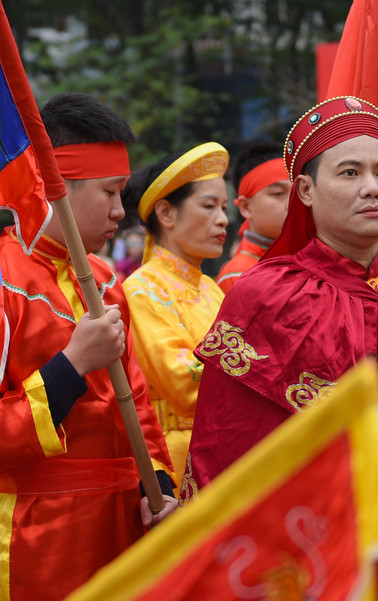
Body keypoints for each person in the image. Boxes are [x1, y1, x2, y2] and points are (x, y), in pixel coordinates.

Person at [183, 96, 378, 601]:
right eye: (350, 172)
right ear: (307, 191)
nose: (372, 188)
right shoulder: (267, 297)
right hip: (304, 563)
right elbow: (223, 453)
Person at [0, 92, 176, 600]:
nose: (123, 211)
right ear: (55, 188)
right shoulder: (7, 280)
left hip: (123, 526)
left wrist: (157, 486)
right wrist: (73, 365)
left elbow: (137, 402)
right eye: (111, 192)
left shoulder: (100, 277)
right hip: (40, 538)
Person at [122, 142, 229, 488]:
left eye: (224, 207)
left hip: (224, 450)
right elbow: (185, 383)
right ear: (166, 214)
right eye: (209, 205)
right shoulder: (143, 289)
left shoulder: (212, 289)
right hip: (177, 463)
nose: (223, 219)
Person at [216, 142, 291, 293]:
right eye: (278, 194)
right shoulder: (238, 275)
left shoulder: (311, 261)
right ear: (245, 207)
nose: (293, 202)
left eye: (299, 191)